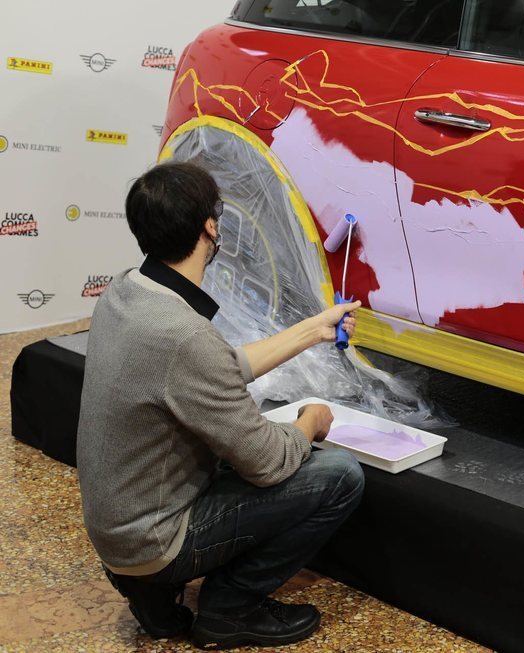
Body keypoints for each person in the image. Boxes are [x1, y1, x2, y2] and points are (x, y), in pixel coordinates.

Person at [76, 161, 364, 649]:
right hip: (156, 540)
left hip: (119, 534)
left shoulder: (126, 290)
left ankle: (151, 592)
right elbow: (269, 463)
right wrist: (309, 421)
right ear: (210, 227)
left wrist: (314, 329)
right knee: (338, 475)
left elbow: (216, 367)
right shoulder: (185, 335)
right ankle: (231, 608)